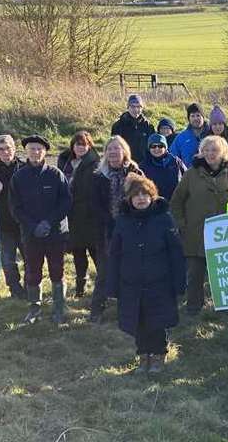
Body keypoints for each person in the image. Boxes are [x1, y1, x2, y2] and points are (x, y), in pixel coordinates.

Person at [107, 174, 186, 374]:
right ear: (130, 199)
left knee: (158, 321)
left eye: (145, 194)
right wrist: (113, 284)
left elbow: (175, 252)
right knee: (139, 321)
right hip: (131, 282)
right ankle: (143, 355)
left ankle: (159, 355)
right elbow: (115, 254)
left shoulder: (164, 219)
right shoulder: (123, 221)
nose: (141, 198)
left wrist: (179, 281)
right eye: (136, 195)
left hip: (159, 281)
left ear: (152, 196)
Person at [170, 135, 228, 316]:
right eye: (206, 150)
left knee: (223, 273)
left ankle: (226, 307)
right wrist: (181, 223)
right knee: (195, 273)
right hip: (195, 232)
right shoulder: (191, 174)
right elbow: (176, 200)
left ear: (223, 152)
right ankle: (194, 308)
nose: (210, 154)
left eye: (214, 150)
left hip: (224, 235)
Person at [10, 135, 72, 325]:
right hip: (31, 235)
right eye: (32, 149)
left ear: (45, 151)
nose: (35, 152)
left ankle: (59, 308)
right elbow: (15, 207)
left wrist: (49, 222)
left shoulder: (56, 174)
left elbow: (66, 201)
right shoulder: (19, 177)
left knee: (57, 270)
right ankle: (34, 308)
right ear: (26, 152)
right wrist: (32, 226)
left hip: (55, 233)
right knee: (32, 272)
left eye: (39, 149)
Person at [89, 136, 143, 323]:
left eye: (116, 149)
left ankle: (128, 310)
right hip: (107, 230)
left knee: (130, 271)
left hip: (132, 229)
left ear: (124, 151)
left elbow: (144, 199)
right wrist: (110, 221)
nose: (113, 152)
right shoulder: (98, 175)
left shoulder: (135, 173)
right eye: (109, 149)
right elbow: (94, 205)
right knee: (104, 271)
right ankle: (97, 309)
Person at [57, 131, 101, 298]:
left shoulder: (96, 164)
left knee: (96, 253)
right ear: (72, 146)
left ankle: (105, 285)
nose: (80, 148)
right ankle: (80, 287)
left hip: (90, 216)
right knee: (78, 254)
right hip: (72, 216)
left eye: (84, 144)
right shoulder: (65, 162)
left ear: (89, 146)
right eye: (77, 144)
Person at [0, 134, 26, 299]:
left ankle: (32, 288)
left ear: (14, 148)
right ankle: (15, 290)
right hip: (4, 225)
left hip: (24, 223)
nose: (5, 152)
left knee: (30, 258)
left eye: (8, 148)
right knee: (8, 261)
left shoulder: (24, 168)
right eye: (1, 149)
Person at [111, 94, 155, 164]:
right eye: (133, 106)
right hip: (125, 163)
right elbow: (114, 146)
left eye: (138, 107)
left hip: (144, 164)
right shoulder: (118, 126)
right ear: (128, 107)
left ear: (142, 108)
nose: (136, 109)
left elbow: (152, 146)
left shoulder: (148, 126)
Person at [140, 133, 186, 201]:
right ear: (149, 148)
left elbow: (188, 178)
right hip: (154, 205)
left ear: (165, 147)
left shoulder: (175, 161)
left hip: (176, 203)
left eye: (160, 146)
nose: (157, 149)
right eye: (153, 146)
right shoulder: (143, 165)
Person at [170, 103, 210, 168]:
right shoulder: (181, 138)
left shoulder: (212, 135)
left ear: (203, 117)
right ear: (189, 118)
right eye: (192, 116)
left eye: (198, 115)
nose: (195, 118)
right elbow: (172, 157)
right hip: (188, 176)